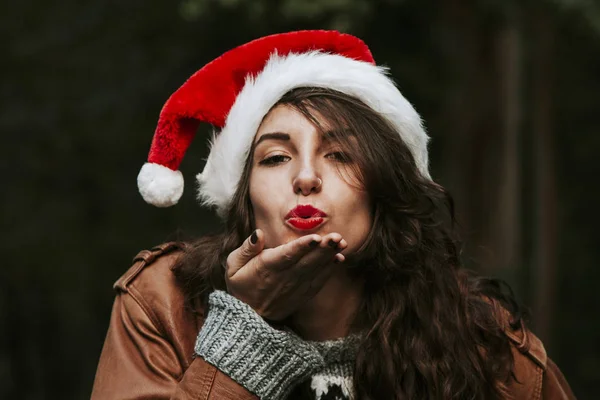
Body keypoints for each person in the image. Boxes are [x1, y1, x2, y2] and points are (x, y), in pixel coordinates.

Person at [91, 30, 575, 400]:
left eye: (340, 155)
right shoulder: (163, 302)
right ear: (244, 196)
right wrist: (244, 331)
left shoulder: (482, 337)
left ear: (383, 187)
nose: (306, 177)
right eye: (276, 158)